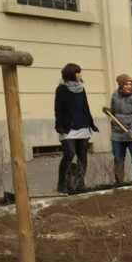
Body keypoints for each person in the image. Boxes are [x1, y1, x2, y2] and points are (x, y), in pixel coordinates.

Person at [54, 63, 98, 193]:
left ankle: (80, 182)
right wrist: (59, 125)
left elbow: (86, 106)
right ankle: (62, 183)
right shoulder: (61, 89)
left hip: (83, 126)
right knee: (69, 154)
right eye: (78, 72)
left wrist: (91, 122)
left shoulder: (81, 88)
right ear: (72, 74)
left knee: (82, 155)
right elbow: (58, 109)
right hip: (68, 128)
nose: (80, 75)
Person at [109, 74, 132, 186]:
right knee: (118, 158)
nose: (129, 86)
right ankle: (119, 181)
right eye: (126, 84)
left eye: (130, 84)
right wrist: (107, 111)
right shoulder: (115, 95)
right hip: (117, 132)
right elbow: (113, 111)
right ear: (121, 85)